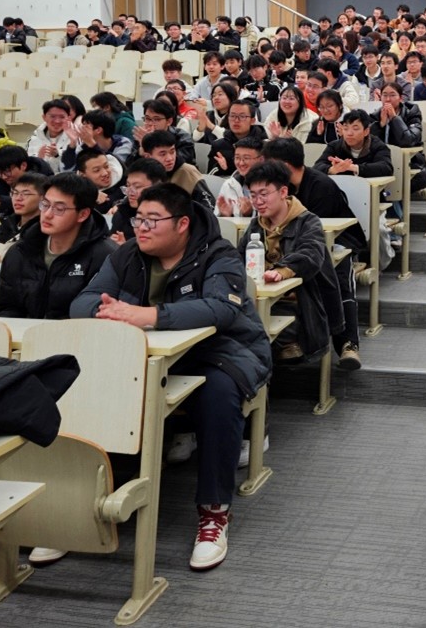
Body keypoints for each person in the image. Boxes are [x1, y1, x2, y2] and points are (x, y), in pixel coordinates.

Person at [72, 182, 270, 572]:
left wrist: (148, 315)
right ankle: (80, 505)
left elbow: (221, 309)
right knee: (86, 383)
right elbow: (83, 301)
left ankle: (214, 511)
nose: (141, 228)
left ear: (182, 223)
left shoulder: (218, 254)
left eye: (152, 220)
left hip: (219, 353)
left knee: (218, 394)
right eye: (138, 219)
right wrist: (109, 310)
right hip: (149, 356)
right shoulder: (127, 254)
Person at [259, 137, 366, 369]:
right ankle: (290, 341)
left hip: (339, 241)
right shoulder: (278, 189)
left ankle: (348, 344)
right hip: (298, 248)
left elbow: (313, 234)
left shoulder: (321, 186)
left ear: (285, 166)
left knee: (337, 275)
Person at [239, 160, 347, 365]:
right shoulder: (256, 225)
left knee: (250, 336)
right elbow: (238, 258)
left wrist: (282, 270)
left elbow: (310, 254)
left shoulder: (307, 221)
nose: (258, 201)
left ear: (283, 192)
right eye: (253, 195)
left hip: (302, 306)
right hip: (261, 301)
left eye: (264, 194)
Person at [0, 171, 115, 321]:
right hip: (25, 333)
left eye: (59, 209)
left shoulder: (106, 256)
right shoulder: (21, 250)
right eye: (45, 204)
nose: (47, 214)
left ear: (83, 214)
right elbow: (8, 308)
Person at [0, 172, 45, 264]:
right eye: (15, 193)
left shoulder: (44, 235)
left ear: (43, 199)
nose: (18, 198)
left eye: (26, 194)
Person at [313, 109, 394, 179]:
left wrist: (353, 167)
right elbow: (317, 167)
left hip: (370, 190)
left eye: (355, 129)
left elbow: (386, 168)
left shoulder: (378, 146)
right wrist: (332, 169)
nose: (349, 133)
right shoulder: (334, 146)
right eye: (346, 128)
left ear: (366, 131)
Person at [216, 134, 264, 218]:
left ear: (261, 160)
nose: (241, 163)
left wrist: (251, 213)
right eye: (237, 158)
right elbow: (216, 220)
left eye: (246, 158)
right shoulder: (229, 184)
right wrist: (225, 215)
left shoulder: (270, 185)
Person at [28, 99, 75, 166]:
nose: (57, 121)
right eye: (52, 116)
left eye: (62, 117)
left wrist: (57, 155)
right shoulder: (35, 137)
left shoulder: (75, 137)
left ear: (69, 118)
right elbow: (29, 165)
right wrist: (39, 159)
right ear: (44, 117)